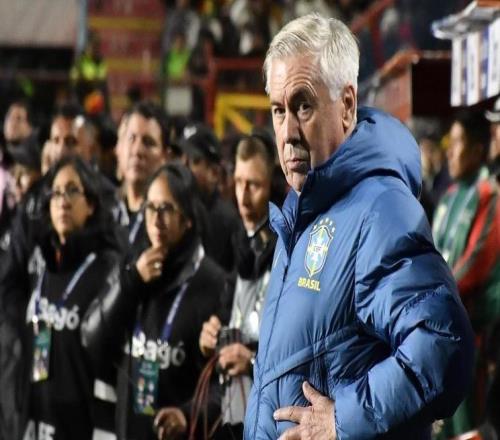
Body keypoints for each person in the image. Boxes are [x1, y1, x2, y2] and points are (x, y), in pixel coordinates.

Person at [244, 13, 475, 439]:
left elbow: (442, 344)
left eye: (303, 106)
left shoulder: (380, 209)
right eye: (278, 110)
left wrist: (341, 420)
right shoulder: (302, 211)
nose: (288, 132)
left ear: (347, 106)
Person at [81, 163, 227, 440]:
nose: (156, 219)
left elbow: (227, 388)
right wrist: (131, 284)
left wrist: (188, 415)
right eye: (150, 207)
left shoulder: (213, 283)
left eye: (166, 208)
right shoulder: (132, 268)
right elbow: (92, 342)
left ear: (188, 218)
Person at [0, 156, 121, 439]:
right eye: (56, 193)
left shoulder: (107, 269)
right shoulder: (44, 264)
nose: (63, 201)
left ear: (91, 204)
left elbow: (110, 359)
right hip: (36, 421)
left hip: (83, 425)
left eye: (72, 191)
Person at [199, 131, 278, 438]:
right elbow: (227, 316)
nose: (243, 197)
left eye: (253, 185)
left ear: (273, 186)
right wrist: (210, 336)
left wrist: (253, 362)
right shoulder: (240, 247)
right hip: (234, 415)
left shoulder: (287, 253)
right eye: (239, 182)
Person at [432, 112, 500, 438]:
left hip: (472, 336)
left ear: (476, 149)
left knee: (469, 427)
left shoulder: (489, 194)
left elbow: (476, 261)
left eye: (457, 143)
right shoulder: (448, 197)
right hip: (439, 329)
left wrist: (434, 296)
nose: (449, 151)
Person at [179, 122, 241, 274]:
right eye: (181, 156)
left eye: (194, 161)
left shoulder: (226, 220)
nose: (183, 165)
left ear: (214, 172)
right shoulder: (176, 209)